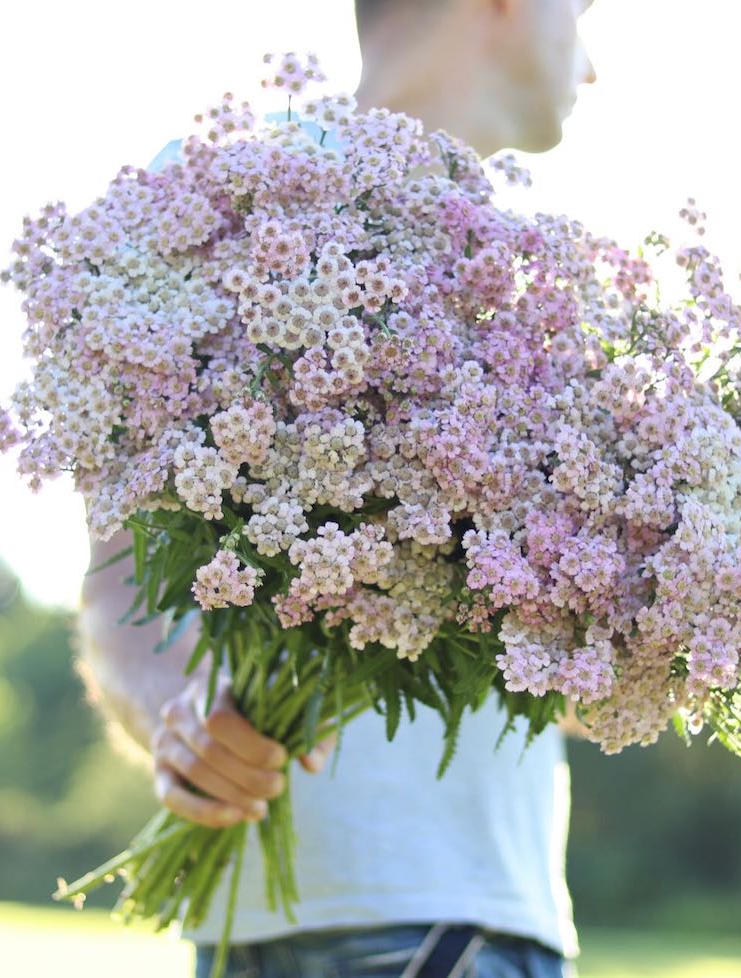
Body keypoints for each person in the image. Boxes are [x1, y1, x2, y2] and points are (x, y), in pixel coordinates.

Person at [76, 2, 598, 976]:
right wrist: (183, 720)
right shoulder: (217, 198)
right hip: (402, 921)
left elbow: (573, 688)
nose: (594, 59)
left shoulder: (549, 287)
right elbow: (118, 581)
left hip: (478, 911)